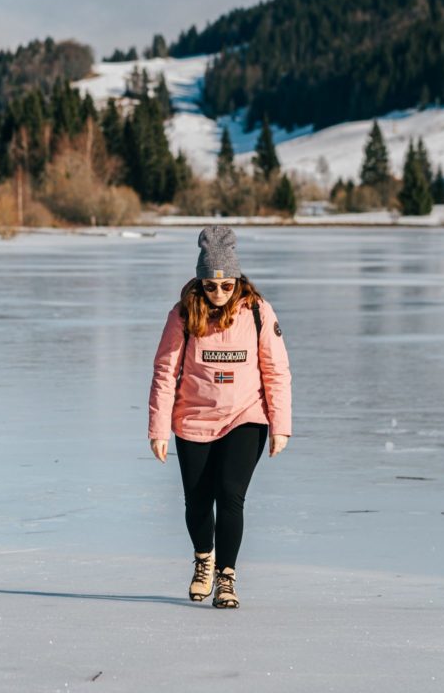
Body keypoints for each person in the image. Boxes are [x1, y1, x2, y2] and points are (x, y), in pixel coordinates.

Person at [148, 225, 292, 608]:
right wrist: (158, 428)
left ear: (237, 280)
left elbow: (276, 370)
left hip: (246, 416)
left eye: (226, 285)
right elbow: (165, 372)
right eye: (211, 286)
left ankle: (226, 578)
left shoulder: (258, 311)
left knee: (230, 496)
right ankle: (203, 561)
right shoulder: (182, 315)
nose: (218, 294)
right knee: (197, 501)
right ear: (200, 281)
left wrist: (281, 425)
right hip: (193, 418)